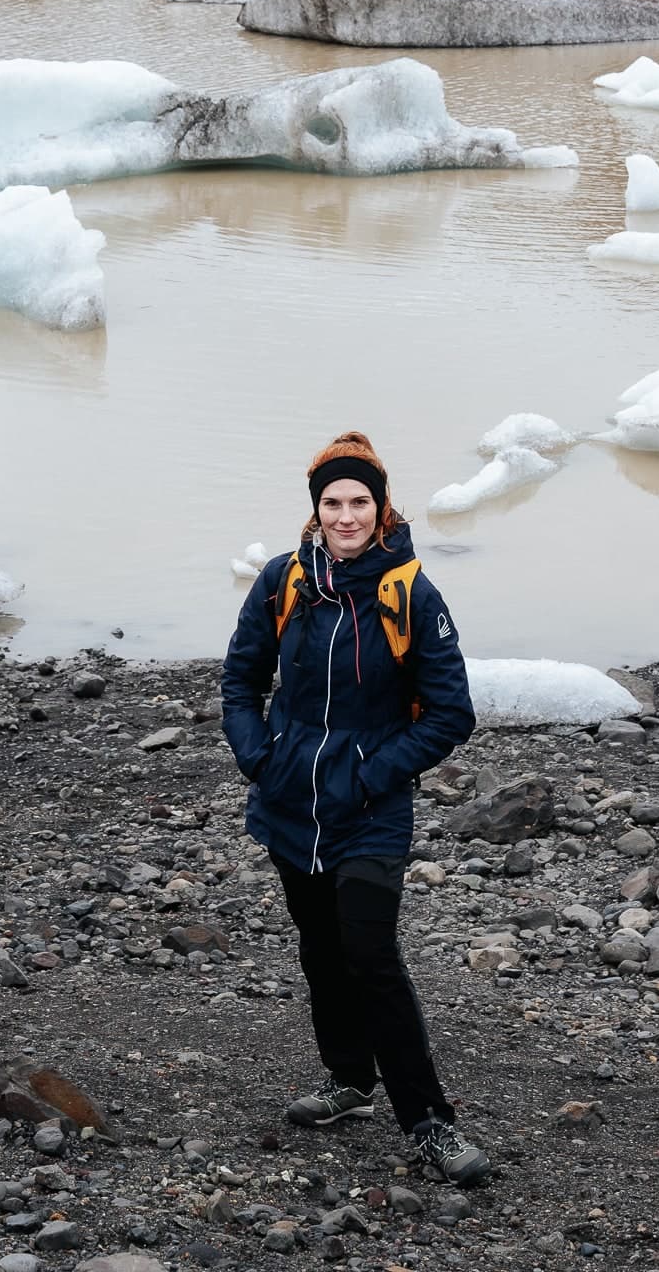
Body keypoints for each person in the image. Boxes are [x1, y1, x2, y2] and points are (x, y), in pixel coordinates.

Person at [221, 429, 489, 1186]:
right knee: (320, 949)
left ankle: (429, 1121)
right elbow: (240, 681)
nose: (346, 516)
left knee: (371, 958)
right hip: (290, 803)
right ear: (315, 510)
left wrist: (373, 774)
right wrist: (259, 757)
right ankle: (348, 1080)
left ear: (381, 507)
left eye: (359, 502)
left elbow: (449, 713)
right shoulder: (282, 583)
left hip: (369, 808)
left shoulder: (411, 593)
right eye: (332, 503)